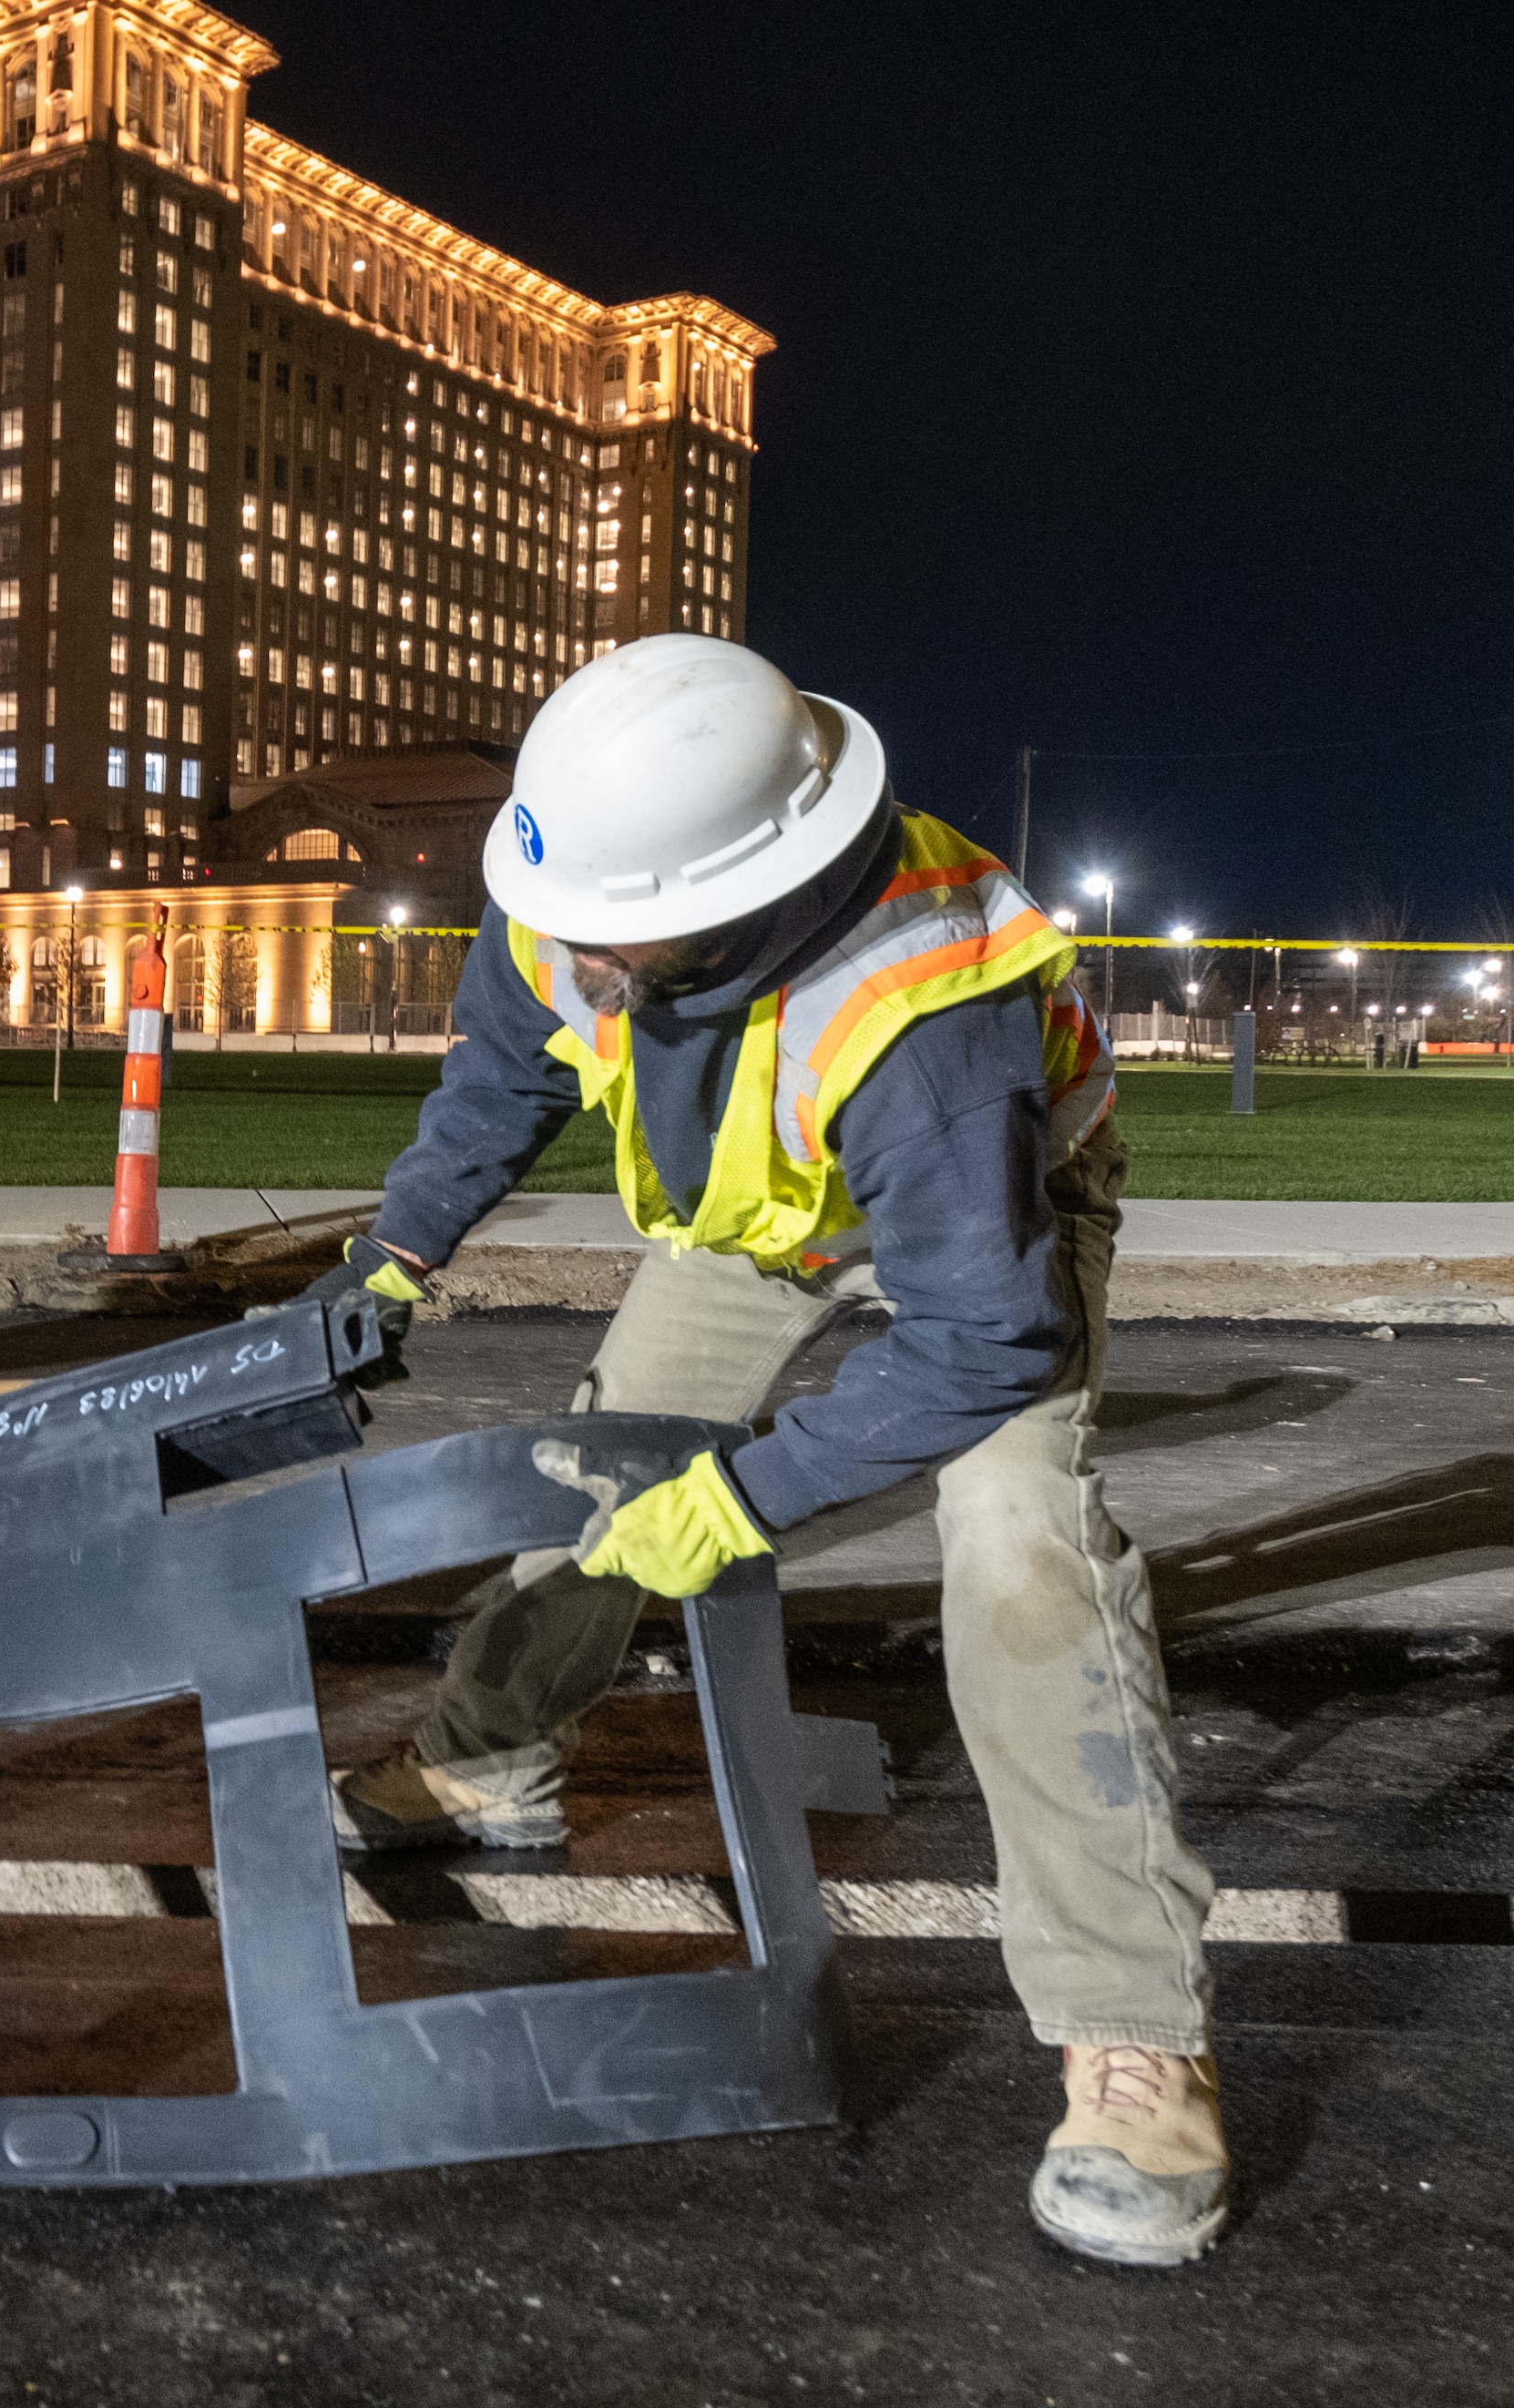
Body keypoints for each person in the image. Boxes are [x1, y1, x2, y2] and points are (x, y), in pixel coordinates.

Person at [306, 637, 1226, 2268]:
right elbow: (499, 1079)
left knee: (1022, 1546)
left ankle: (1130, 2032)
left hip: (981, 1228)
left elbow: (979, 1339)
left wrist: (745, 1493)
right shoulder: (577, 883)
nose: (565, 944)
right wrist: (398, 1253)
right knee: (599, 1474)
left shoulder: (916, 1006)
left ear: (735, 896)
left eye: (605, 926)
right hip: (761, 1216)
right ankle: (485, 1752)